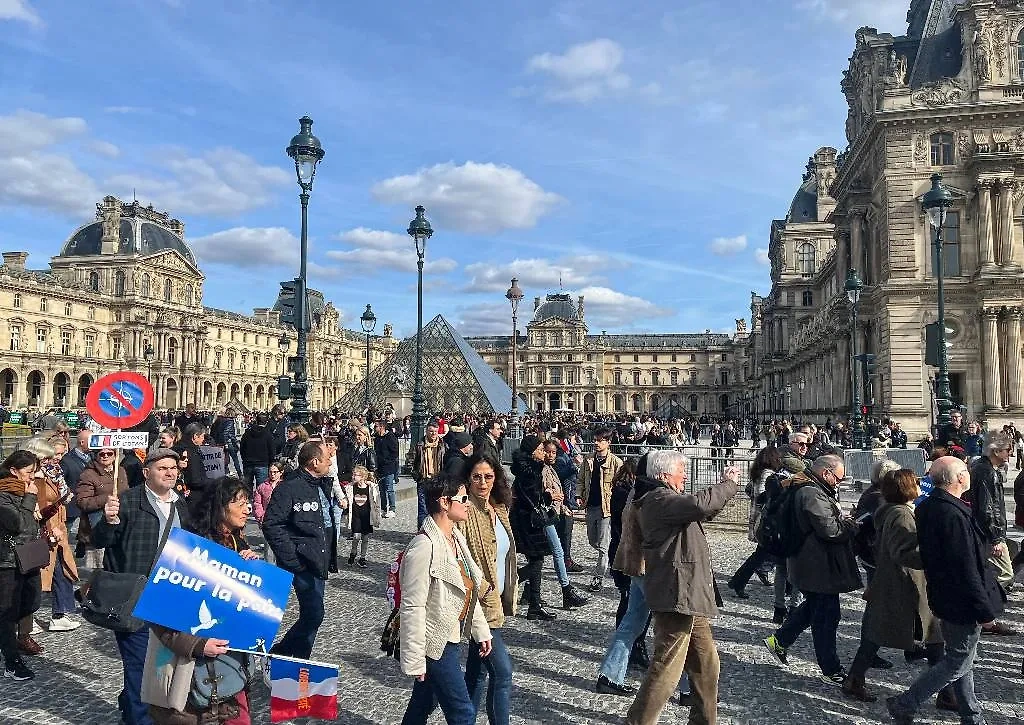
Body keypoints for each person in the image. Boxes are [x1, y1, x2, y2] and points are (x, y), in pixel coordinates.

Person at [886, 456, 1004, 725]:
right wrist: (984, 610)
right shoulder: (950, 513)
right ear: (959, 478)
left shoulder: (930, 506)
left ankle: (970, 715)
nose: (970, 475)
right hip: (960, 599)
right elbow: (965, 567)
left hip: (944, 594)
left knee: (962, 658)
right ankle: (905, 703)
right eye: (966, 471)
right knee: (957, 661)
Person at [624, 451, 739, 725]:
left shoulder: (666, 500)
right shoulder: (658, 499)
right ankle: (638, 721)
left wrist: (723, 492)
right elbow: (700, 505)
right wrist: (728, 484)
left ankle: (703, 719)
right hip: (676, 593)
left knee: (706, 664)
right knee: (667, 666)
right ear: (664, 475)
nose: (685, 475)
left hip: (687, 593)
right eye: (681, 471)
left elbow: (704, 509)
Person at [144, 475, 258, 725]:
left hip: (230, 669)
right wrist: (196, 645)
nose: (247, 508)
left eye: (248, 502)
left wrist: (253, 573)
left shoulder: (237, 543)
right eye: (239, 502)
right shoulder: (187, 550)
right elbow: (159, 615)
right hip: (192, 677)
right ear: (220, 506)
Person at [92, 449, 190, 725]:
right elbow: (100, 540)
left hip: (170, 596)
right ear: (147, 473)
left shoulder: (181, 504)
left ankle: (131, 704)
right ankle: (139, 718)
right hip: (134, 596)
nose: (170, 472)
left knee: (160, 662)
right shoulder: (127, 501)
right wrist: (108, 521)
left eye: (173, 468)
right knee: (139, 665)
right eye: (163, 468)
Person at [842, 469, 952, 706]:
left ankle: (947, 693)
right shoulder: (901, 515)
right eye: (915, 482)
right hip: (903, 584)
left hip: (898, 582)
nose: (919, 484)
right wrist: (935, 551)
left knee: (928, 637)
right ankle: (946, 693)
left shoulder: (892, 510)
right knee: (927, 635)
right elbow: (904, 553)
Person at [399, 474, 492, 725]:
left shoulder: (456, 539)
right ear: (444, 502)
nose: (468, 503)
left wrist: (481, 630)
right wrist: (415, 658)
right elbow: (412, 605)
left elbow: (467, 589)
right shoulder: (424, 546)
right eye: (463, 498)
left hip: (452, 634)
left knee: (421, 707)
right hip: (435, 643)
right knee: (463, 712)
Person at [763, 455, 862, 686]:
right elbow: (830, 530)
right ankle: (831, 668)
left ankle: (779, 640)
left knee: (813, 609)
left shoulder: (811, 487)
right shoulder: (810, 492)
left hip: (812, 563)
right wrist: (850, 524)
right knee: (827, 617)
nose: (839, 482)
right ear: (826, 472)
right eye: (838, 478)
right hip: (816, 565)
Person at [263, 440, 337, 659]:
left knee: (313, 615)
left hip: (318, 558)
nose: (330, 461)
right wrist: (293, 559)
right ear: (315, 462)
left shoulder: (320, 483)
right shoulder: (290, 487)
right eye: (327, 458)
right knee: (314, 613)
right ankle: (282, 653)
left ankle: (298, 659)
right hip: (302, 561)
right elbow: (272, 524)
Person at [458, 453, 517, 725]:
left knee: (477, 671)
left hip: (497, 600)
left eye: (488, 476)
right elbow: (459, 558)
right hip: (479, 605)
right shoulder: (465, 511)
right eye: (477, 477)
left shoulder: (499, 508)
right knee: (502, 672)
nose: (483, 482)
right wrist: (484, 589)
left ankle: (463, 720)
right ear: (468, 480)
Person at [21, 436, 79, 634]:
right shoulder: (33, 478)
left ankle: (56, 615)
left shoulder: (48, 473)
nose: (50, 461)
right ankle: (26, 620)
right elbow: (40, 505)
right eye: (45, 459)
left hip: (52, 527)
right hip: (39, 531)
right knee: (33, 575)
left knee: (58, 571)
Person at [964, 431, 1017, 635]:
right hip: (989, 533)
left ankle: (983, 616)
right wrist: (996, 537)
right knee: (1004, 574)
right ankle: (983, 615)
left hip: (981, 531)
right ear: (995, 451)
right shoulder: (988, 473)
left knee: (989, 573)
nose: (1010, 454)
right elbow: (988, 508)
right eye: (1006, 450)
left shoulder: (980, 467)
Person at [0, 450, 42, 682]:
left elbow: (30, 523)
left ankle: (6, 637)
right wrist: (30, 498)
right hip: (6, 559)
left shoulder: (24, 490)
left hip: (27, 555)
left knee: (32, 601)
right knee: (7, 611)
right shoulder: (3, 493)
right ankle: (12, 660)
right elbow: (16, 523)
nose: (31, 478)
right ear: (14, 471)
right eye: (28, 473)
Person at [509, 436, 558, 621]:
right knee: (537, 560)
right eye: (540, 449)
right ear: (531, 451)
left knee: (537, 559)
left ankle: (534, 603)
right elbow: (531, 498)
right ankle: (514, 581)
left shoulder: (527, 468)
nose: (543, 452)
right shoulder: (530, 472)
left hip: (526, 519)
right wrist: (548, 496)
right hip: (528, 521)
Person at [727, 445, 784, 600]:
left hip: (760, 518)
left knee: (762, 554)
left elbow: (749, 490)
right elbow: (761, 495)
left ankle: (739, 580)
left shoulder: (759, 473)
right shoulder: (767, 474)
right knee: (765, 555)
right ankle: (739, 580)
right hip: (765, 520)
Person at [577, 428, 624, 593]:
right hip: (591, 506)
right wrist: (578, 495)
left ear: (608, 442)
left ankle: (598, 578)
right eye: (595, 440)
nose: (596, 443)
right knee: (592, 540)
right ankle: (613, 556)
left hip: (607, 509)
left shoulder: (616, 463)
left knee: (603, 546)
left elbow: (622, 486)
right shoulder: (588, 460)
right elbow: (581, 480)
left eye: (600, 440)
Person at [76, 446, 128, 570]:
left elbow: (126, 491)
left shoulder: (120, 471)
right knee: (98, 572)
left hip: (119, 526)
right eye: (101, 453)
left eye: (109, 453)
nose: (105, 456)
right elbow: (82, 502)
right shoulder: (88, 474)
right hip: (97, 528)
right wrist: (108, 498)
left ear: (115, 455)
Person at [345, 464, 380, 568]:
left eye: (356, 475)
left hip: (366, 517)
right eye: (353, 474)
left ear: (363, 477)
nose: (353, 477)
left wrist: (377, 516)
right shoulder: (351, 487)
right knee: (356, 537)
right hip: (356, 516)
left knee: (365, 538)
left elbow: (376, 502)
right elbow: (347, 499)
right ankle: (353, 553)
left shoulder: (370, 488)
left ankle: (362, 558)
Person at [411, 422, 446, 528]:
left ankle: (436, 531)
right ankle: (422, 531)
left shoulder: (443, 445)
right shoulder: (419, 444)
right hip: (423, 479)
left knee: (437, 508)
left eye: (435, 431)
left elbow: (446, 461)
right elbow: (411, 459)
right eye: (431, 431)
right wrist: (415, 473)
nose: (433, 434)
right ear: (426, 431)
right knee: (423, 509)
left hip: (437, 480)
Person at [239, 413, 275, 490]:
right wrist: (270, 462)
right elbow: (272, 450)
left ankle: (247, 500)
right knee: (261, 488)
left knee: (247, 487)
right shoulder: (268, 434)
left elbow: (242, 448)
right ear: (266, 422)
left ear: (256, 420)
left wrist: (244, 459)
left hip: (248, 463)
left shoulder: (247, 433)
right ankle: (259, 501)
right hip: (262, 464)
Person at [374, 420, 400, 519]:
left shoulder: (390, 437)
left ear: (382, 427)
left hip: (389, 467)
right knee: (382, 490)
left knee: (389, 489)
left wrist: (387, 461)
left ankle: (392, 509)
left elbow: (395, 452)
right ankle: (383, 509)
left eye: (376, 426)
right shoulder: (377, 438)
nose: (375, 428)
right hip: (379, 467)